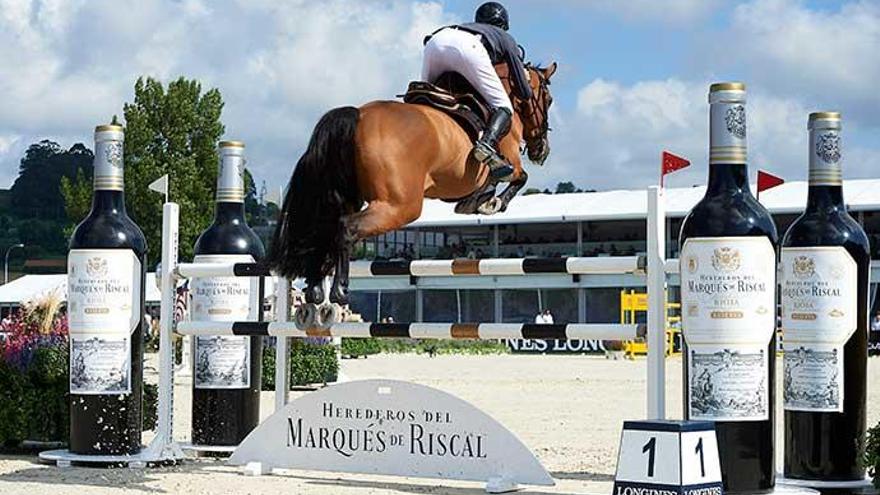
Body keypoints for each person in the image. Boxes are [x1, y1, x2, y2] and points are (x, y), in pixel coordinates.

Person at [421, 1, 533, 181]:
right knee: (504, 106)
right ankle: (486, 146)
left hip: (435, 42)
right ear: (503, 25)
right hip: (468, 49)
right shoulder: (505, 37)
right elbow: (524, 91)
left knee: (424, 98)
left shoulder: (466, 27)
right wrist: (526, 87)